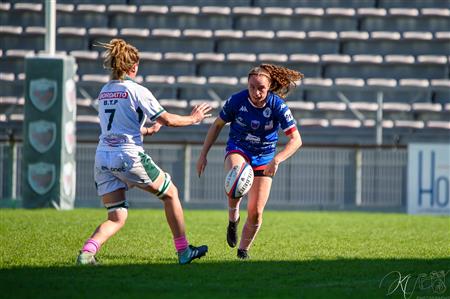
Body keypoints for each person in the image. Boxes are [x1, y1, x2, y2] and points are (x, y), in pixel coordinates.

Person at [77, 39, 212, 265]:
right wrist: (194, 119)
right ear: (133, 66)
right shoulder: (137, 90)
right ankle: (183, 251)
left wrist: (146, 131)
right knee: (171, 194)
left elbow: (115, 125)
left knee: (117, 215)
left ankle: (87, 253)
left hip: (103, 157)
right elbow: (167, 119)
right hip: (128, 155)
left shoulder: (105, 91)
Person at [196, 64, 303, 259]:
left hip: (265, 156)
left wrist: (277, 160)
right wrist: (203, 154)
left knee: (255, 213)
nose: (256, 92)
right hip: (239, 148)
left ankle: (243, 251)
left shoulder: (277, 105)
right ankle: (232, 219)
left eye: (261, 88)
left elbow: (296, 140)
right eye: (252, 87)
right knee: (237, 176)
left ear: (269, 87)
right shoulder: (237, 101)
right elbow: (217, 124)